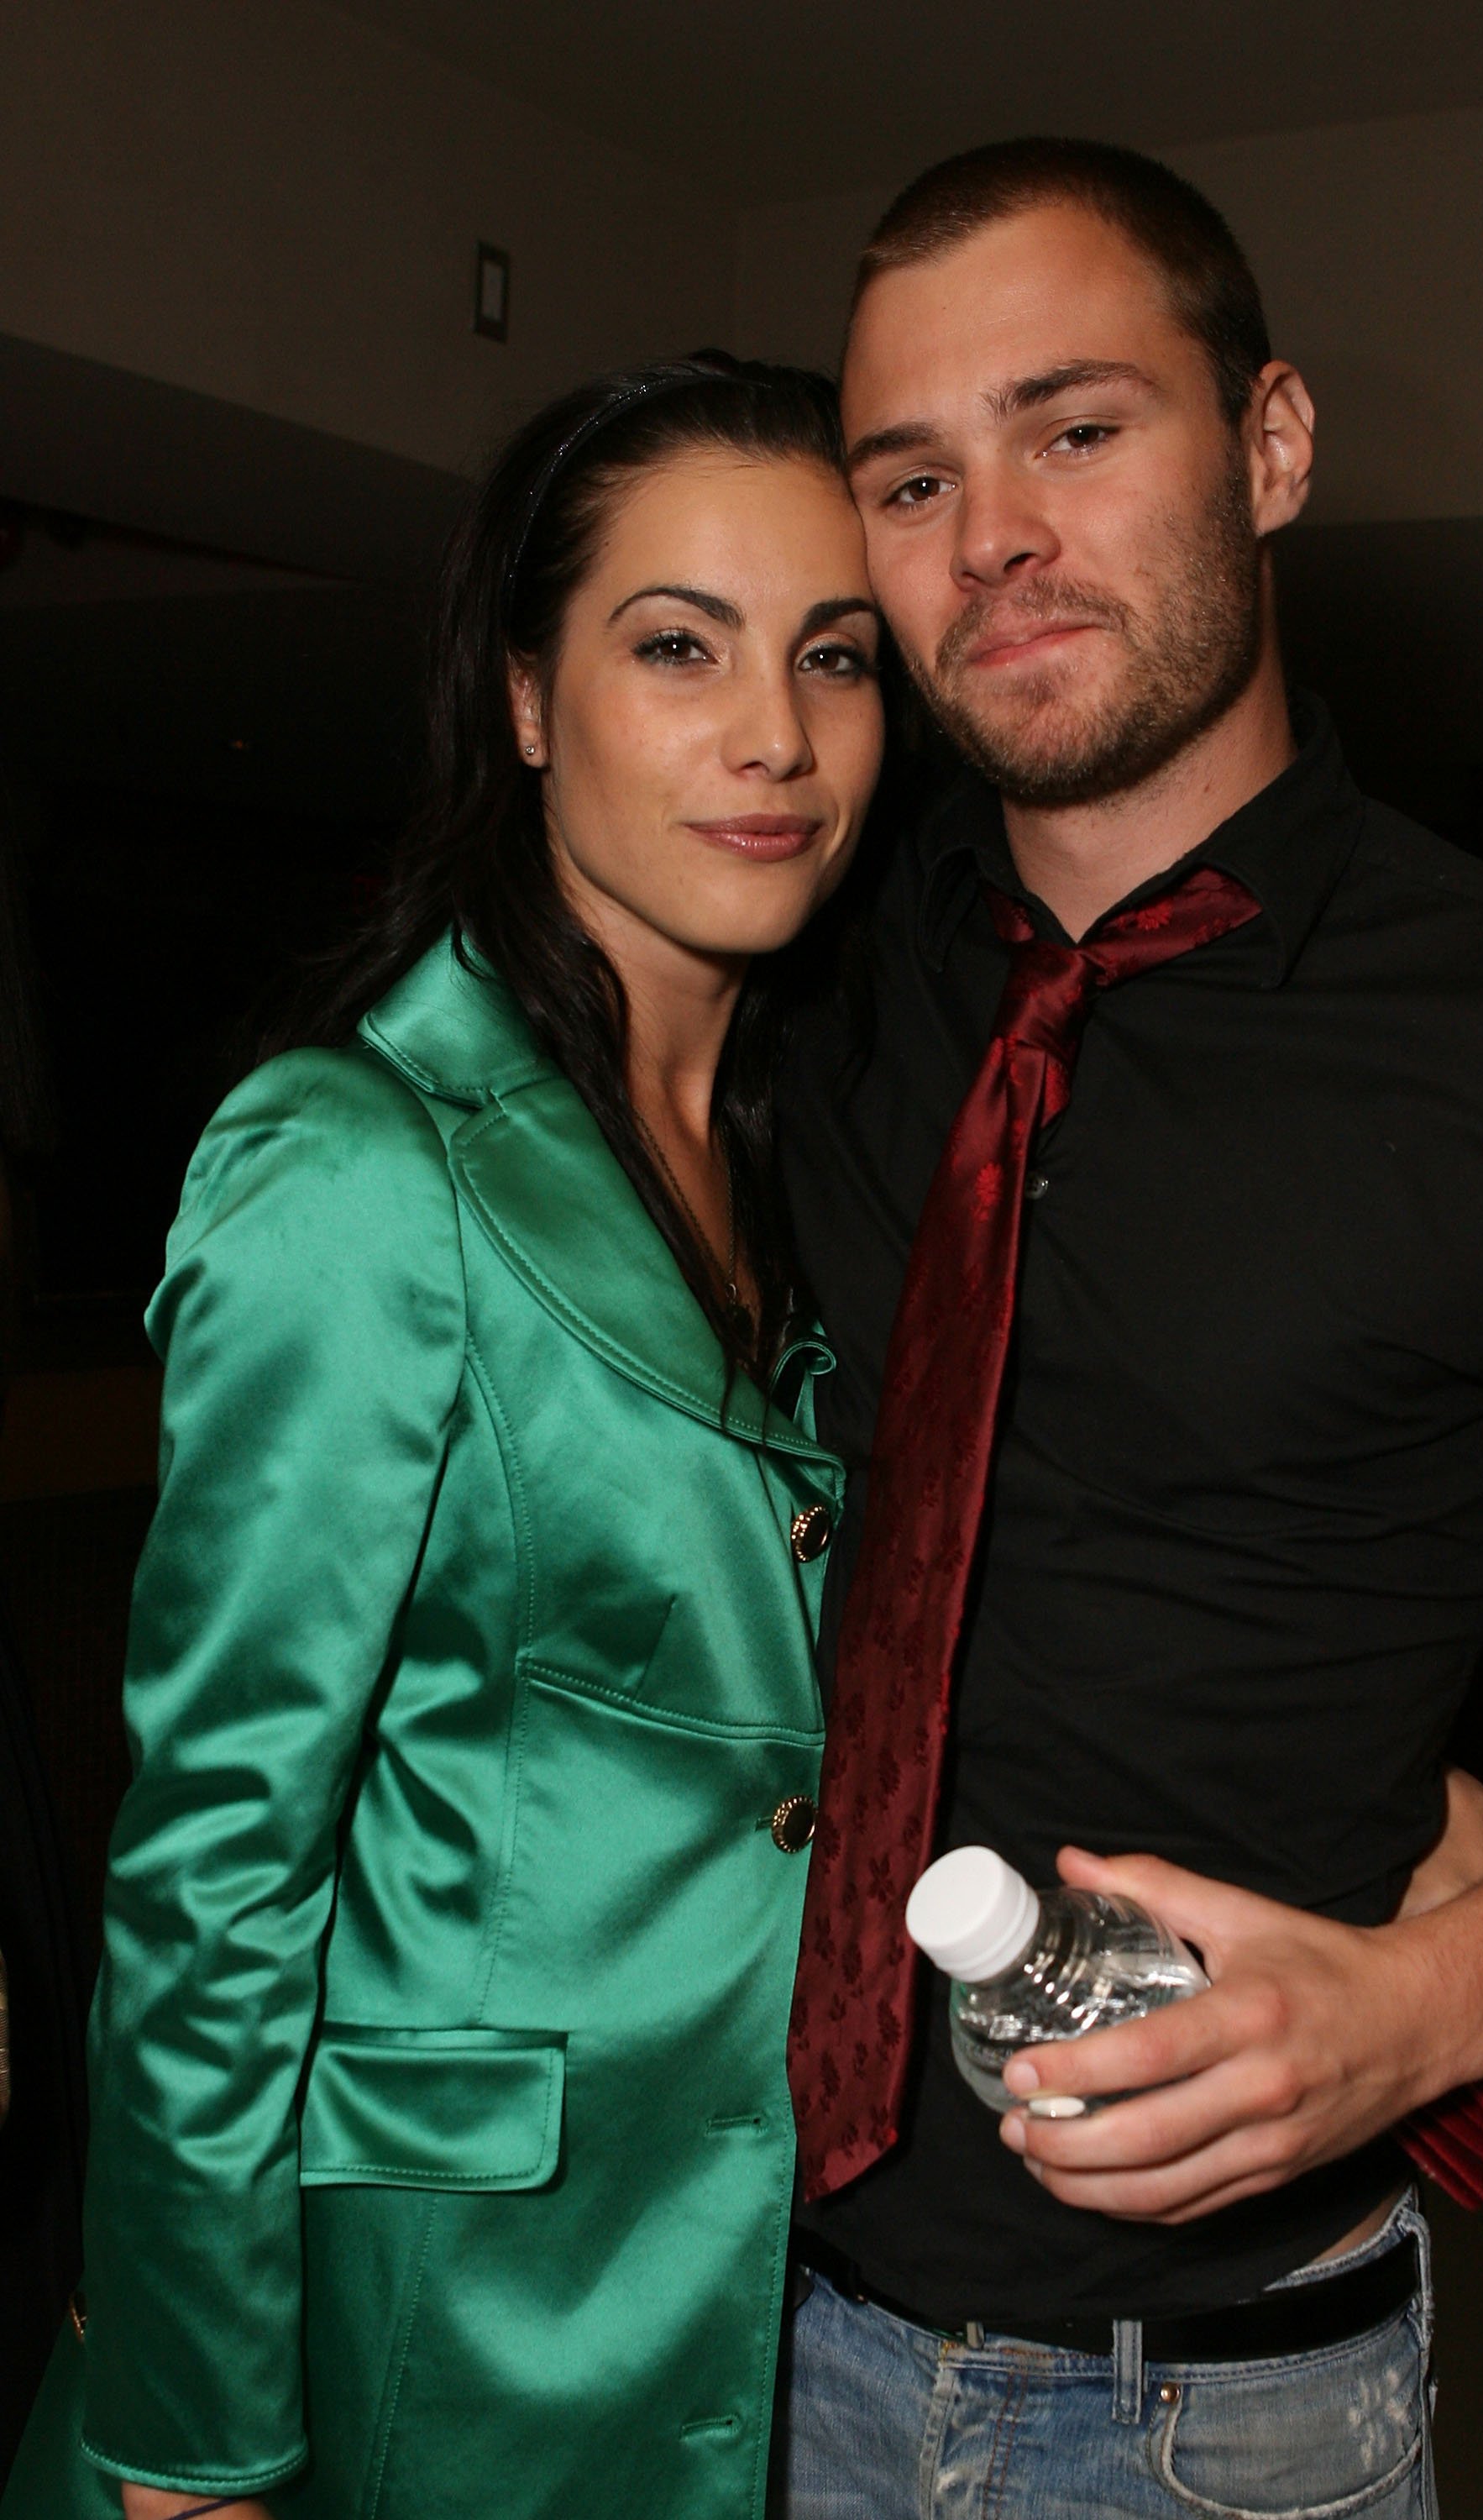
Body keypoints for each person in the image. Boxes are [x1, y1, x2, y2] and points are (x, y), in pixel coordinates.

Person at [772, 140, 1483, 2516]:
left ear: (1267, 446)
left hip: (1209, 2405)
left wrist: (1441, 1997)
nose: (992, 537)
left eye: (1075, 428)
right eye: (911, 475)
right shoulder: (808, 976)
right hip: (702, 2306)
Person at [3, 355, 883, 2520]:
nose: (773, 733)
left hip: (742, 2306)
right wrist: (195, 2440)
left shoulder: (821, 1163)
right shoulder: (357, 1164)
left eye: (834, 654)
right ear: (521, 698)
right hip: (410, 2322)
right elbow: (212, 1860)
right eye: (677, 645)